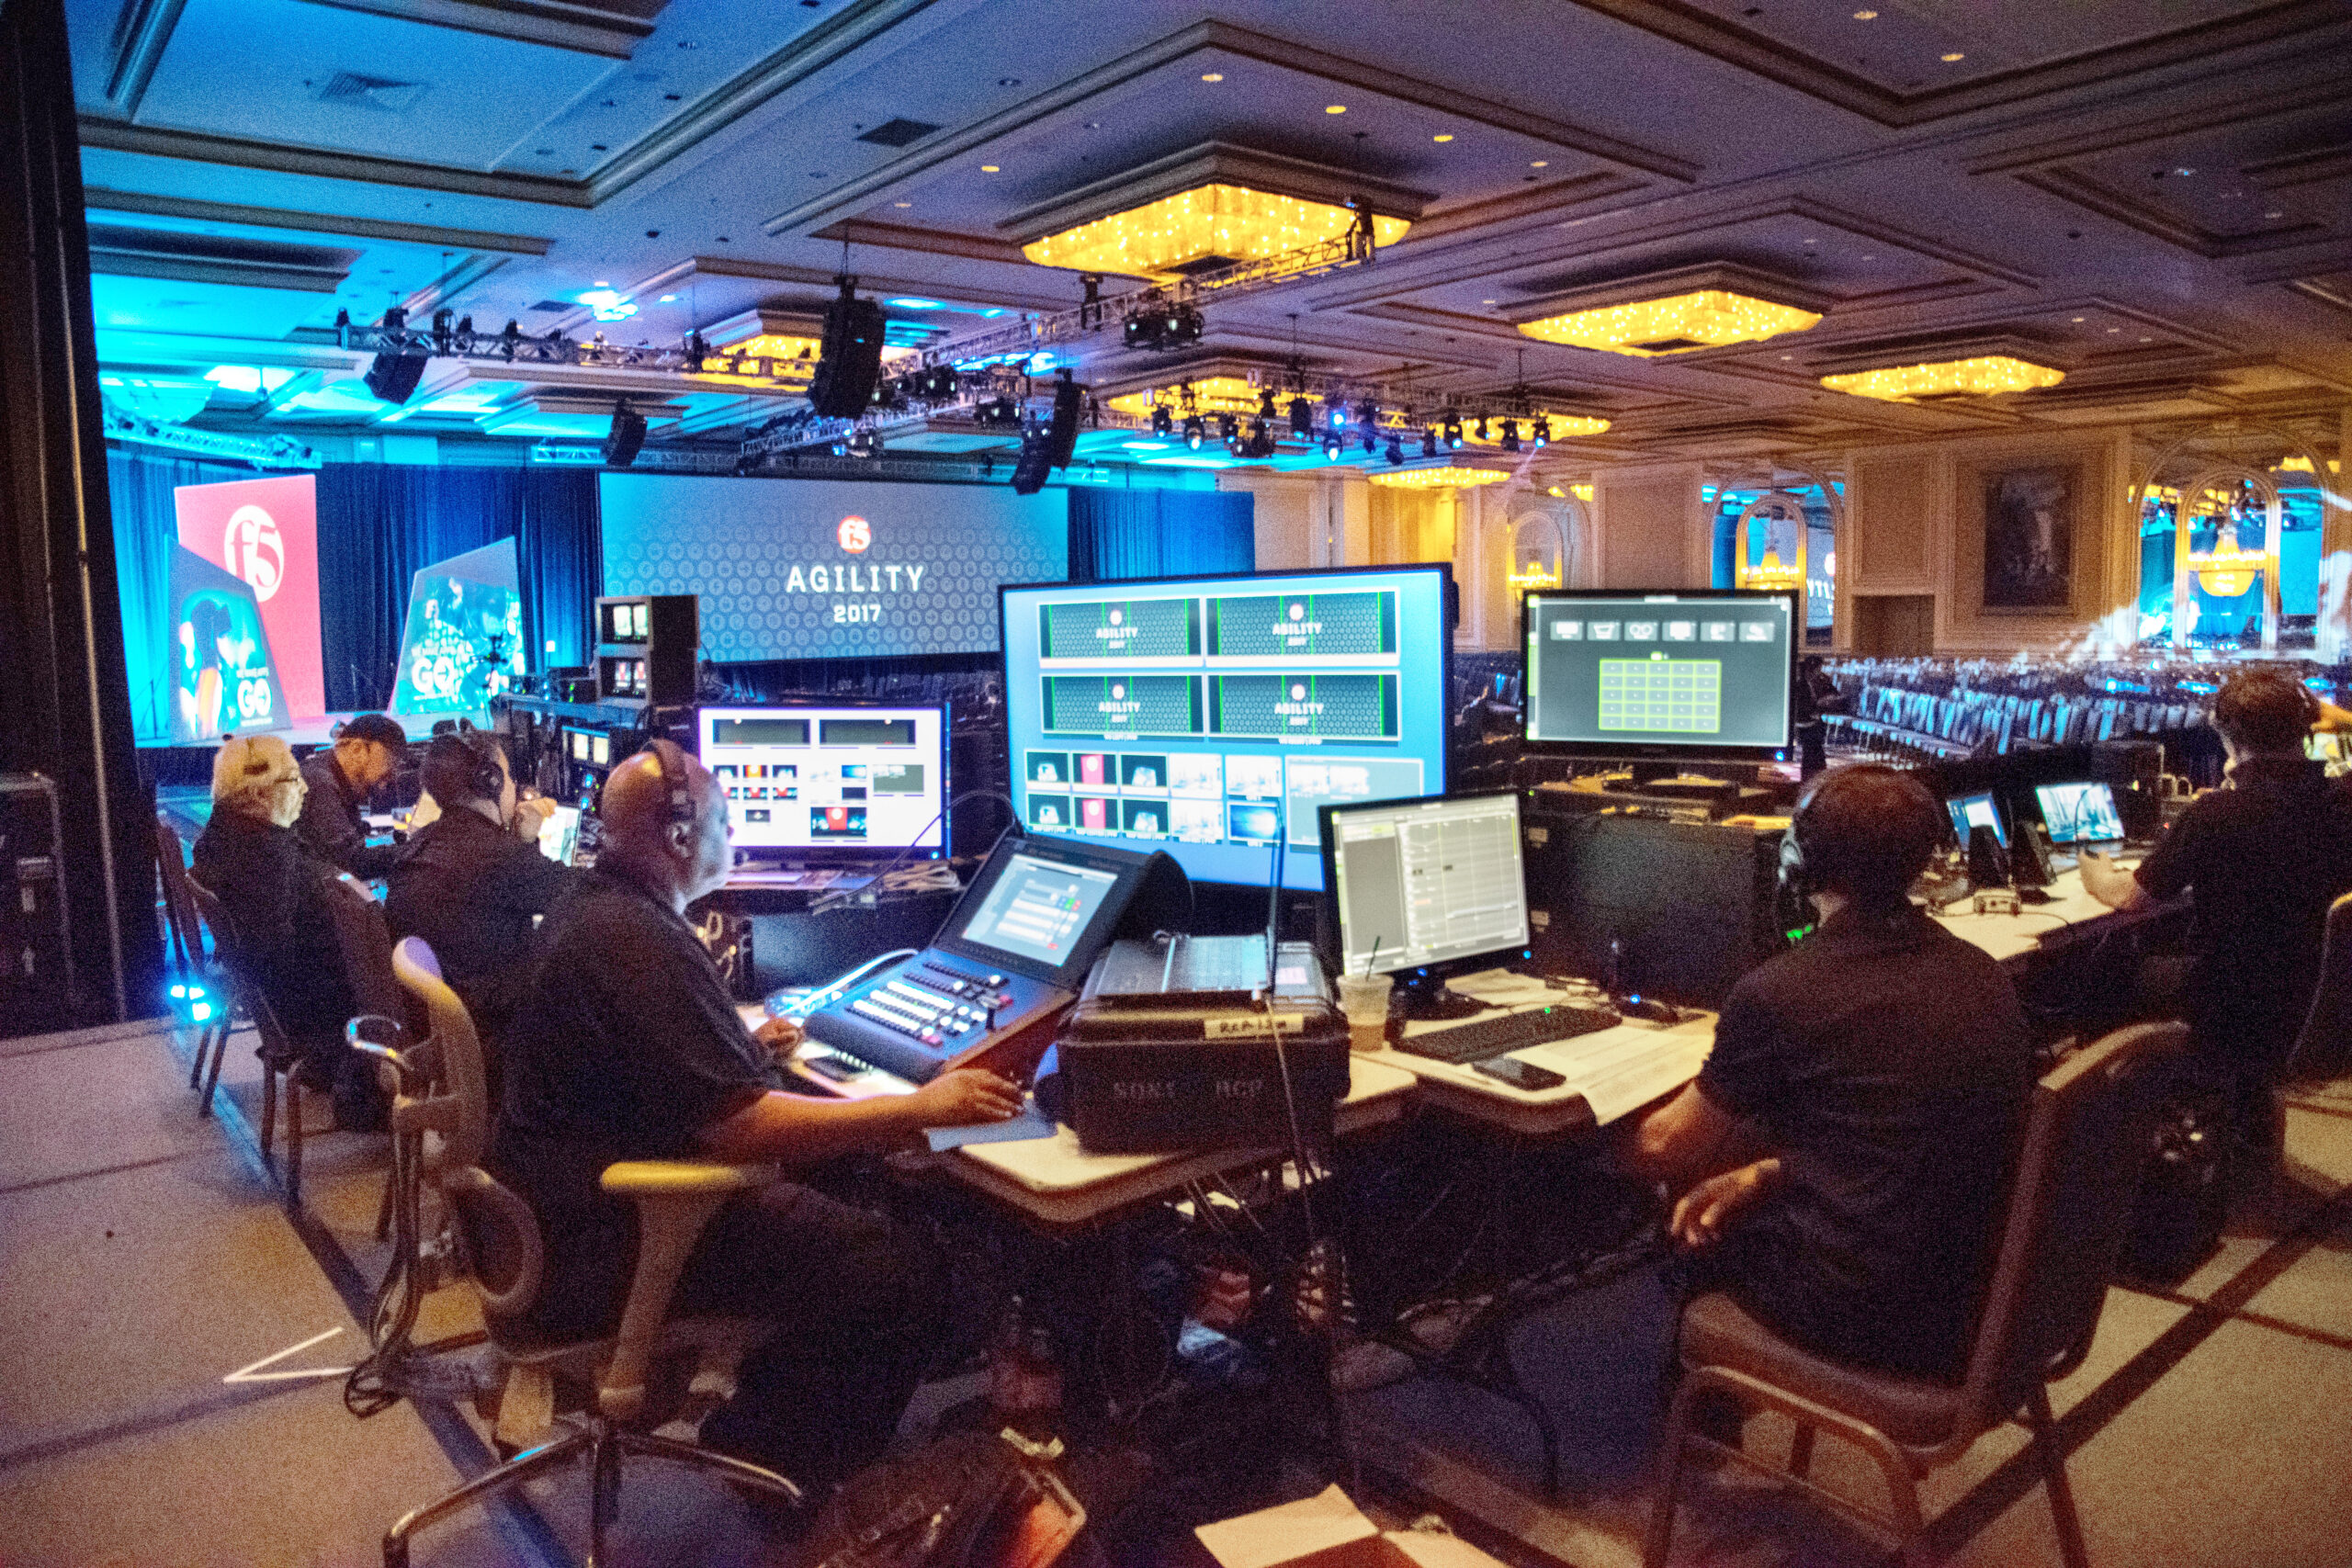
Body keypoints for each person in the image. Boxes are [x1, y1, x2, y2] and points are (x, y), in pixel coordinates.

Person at [492, 739, 1023, 1494]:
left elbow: (643, 1060)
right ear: (679, 838)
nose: (735, 837)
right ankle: (785, 1470)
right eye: (725, 822)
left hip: (564, 1221)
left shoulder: (599, 911)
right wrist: (913, 1108)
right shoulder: (636, 939)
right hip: (619, 1238)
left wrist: (731, 1042)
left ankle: (769, 1424)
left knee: (850, 1192)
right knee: (898, 1269)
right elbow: (744, 1128)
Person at [1508, 765, 2031, 1485]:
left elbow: (1664, 1147)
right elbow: (1909, 1138)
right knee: (1736, 1166)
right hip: (1978, 1297)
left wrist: (1549, 1136)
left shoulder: (1782, 991)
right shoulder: (1981, 973)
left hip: (1873, 1315)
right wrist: (1770, 1170)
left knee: (1691, 1219)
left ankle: (1685, 1434)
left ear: (1800, 862)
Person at [2083, 669, 2352, 1139]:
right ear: (2308, 728)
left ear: (2227, 736)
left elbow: (2130, 898)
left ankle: (2110, 1138)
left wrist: (2096, 872)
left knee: (2105, 969)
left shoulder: (2216, 815)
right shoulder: (2341, 802)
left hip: (2239, 1012)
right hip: (2321, 1008)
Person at [192, 734, 379, 1128]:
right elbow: (283, 957)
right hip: (306, 1016)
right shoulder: (265, 857)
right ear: (258, 792)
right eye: (294, 780)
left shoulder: (223, 832)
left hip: (271, 1002)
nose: (305, 789)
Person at [382, 728, 565, 1060]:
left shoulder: (422, 843)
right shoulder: (497, 857)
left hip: (446, 1032)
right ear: (490, 782)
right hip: (498, 1034)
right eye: (508, 776)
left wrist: (520, 841)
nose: (512, 786)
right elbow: (584, 893)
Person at [297, 712, 408, 877]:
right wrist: (419, 850)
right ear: (357, 749)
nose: (387, 780)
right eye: (388, 762)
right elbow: (355, 861)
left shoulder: (332, 777)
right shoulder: (320, 785)